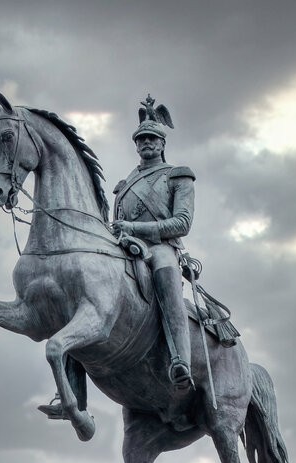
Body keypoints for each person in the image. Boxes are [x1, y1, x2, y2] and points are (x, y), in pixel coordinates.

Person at [111, 95, 196, 416]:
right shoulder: (123, 185)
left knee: (165, 272)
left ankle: (180, 360)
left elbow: (182, 223)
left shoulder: (178, 175)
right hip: (125, 246)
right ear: (136, 146)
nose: (146, 143)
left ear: (162, 143)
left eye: (152, 138)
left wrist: (135, 227)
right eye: (141, 139)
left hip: (162, 247)